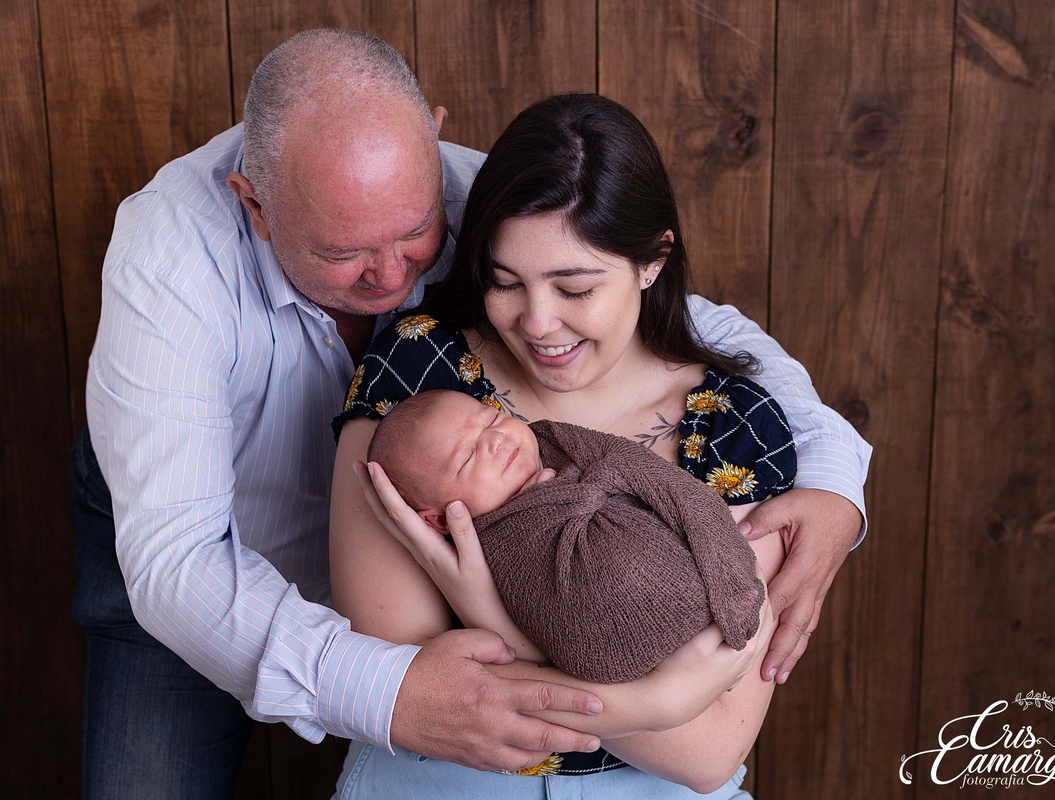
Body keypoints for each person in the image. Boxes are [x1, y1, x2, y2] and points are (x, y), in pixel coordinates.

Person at [72, 25, 868, 799]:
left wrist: (836, 481)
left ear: (434, 136)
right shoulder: (173, 264)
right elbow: (179, 567)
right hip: (192, 567)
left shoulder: (486, 200)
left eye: (419, 232)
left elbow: (683, 323)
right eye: (341, 252)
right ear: (254, 204)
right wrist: (398, 690)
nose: (392, 278)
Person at [328, 93, 867, 798]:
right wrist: (659, 701)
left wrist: (492, 617)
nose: (538, 322)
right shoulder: (420, 378)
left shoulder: (734, 426)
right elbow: (417, 685)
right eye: (505, 283)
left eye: (576, 288)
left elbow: (707, 751)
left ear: (652, 261)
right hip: (442, 780)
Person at [365, 388, 788, 681]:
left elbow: (654, 476)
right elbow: (546, 617)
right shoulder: (490, 548)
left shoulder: (558, 442)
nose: (495, 440)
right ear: (440, 521)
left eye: (491, 419)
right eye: (467, 457)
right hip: (619, 654)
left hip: (707, 601)